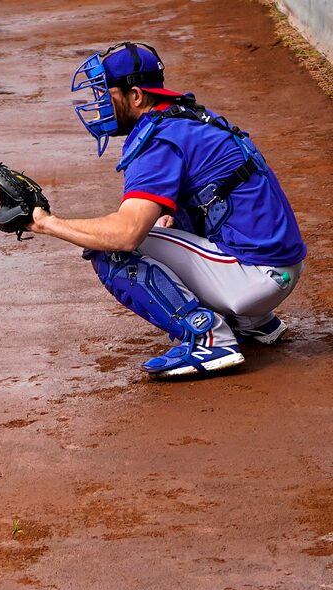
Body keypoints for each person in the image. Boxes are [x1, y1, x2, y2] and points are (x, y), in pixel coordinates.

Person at [27, 41, 306, 378]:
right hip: (281, 269)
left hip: (254, 279)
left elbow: (125, 234)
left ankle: (209, 338)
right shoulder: (191, 118)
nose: (99, 104)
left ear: (136, 96)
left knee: (108, 249)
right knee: (166, 220)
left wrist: (45, 223)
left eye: (107, 93)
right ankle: (253, 323)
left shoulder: (157, 139)